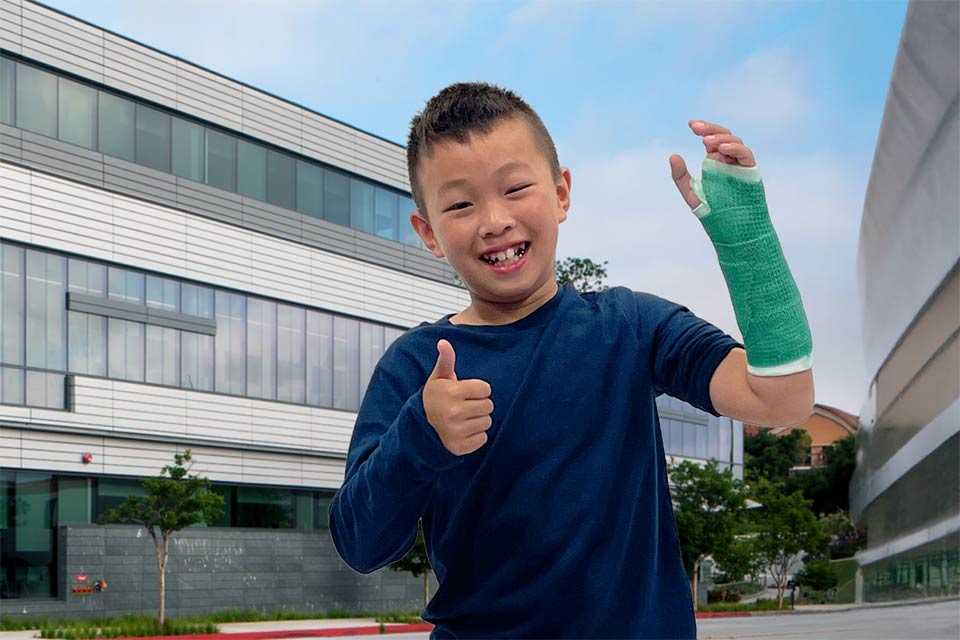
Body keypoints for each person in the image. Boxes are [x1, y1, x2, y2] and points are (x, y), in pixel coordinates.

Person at [328, 82, 814, 638]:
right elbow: (359, 544)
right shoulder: (417, 366)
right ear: (428, 233)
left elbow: (783, 399)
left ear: (561, 194)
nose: (493, 220)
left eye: (515, 188)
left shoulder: (631, 327)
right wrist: (421, 436)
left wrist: (749, 244)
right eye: (460, 204)